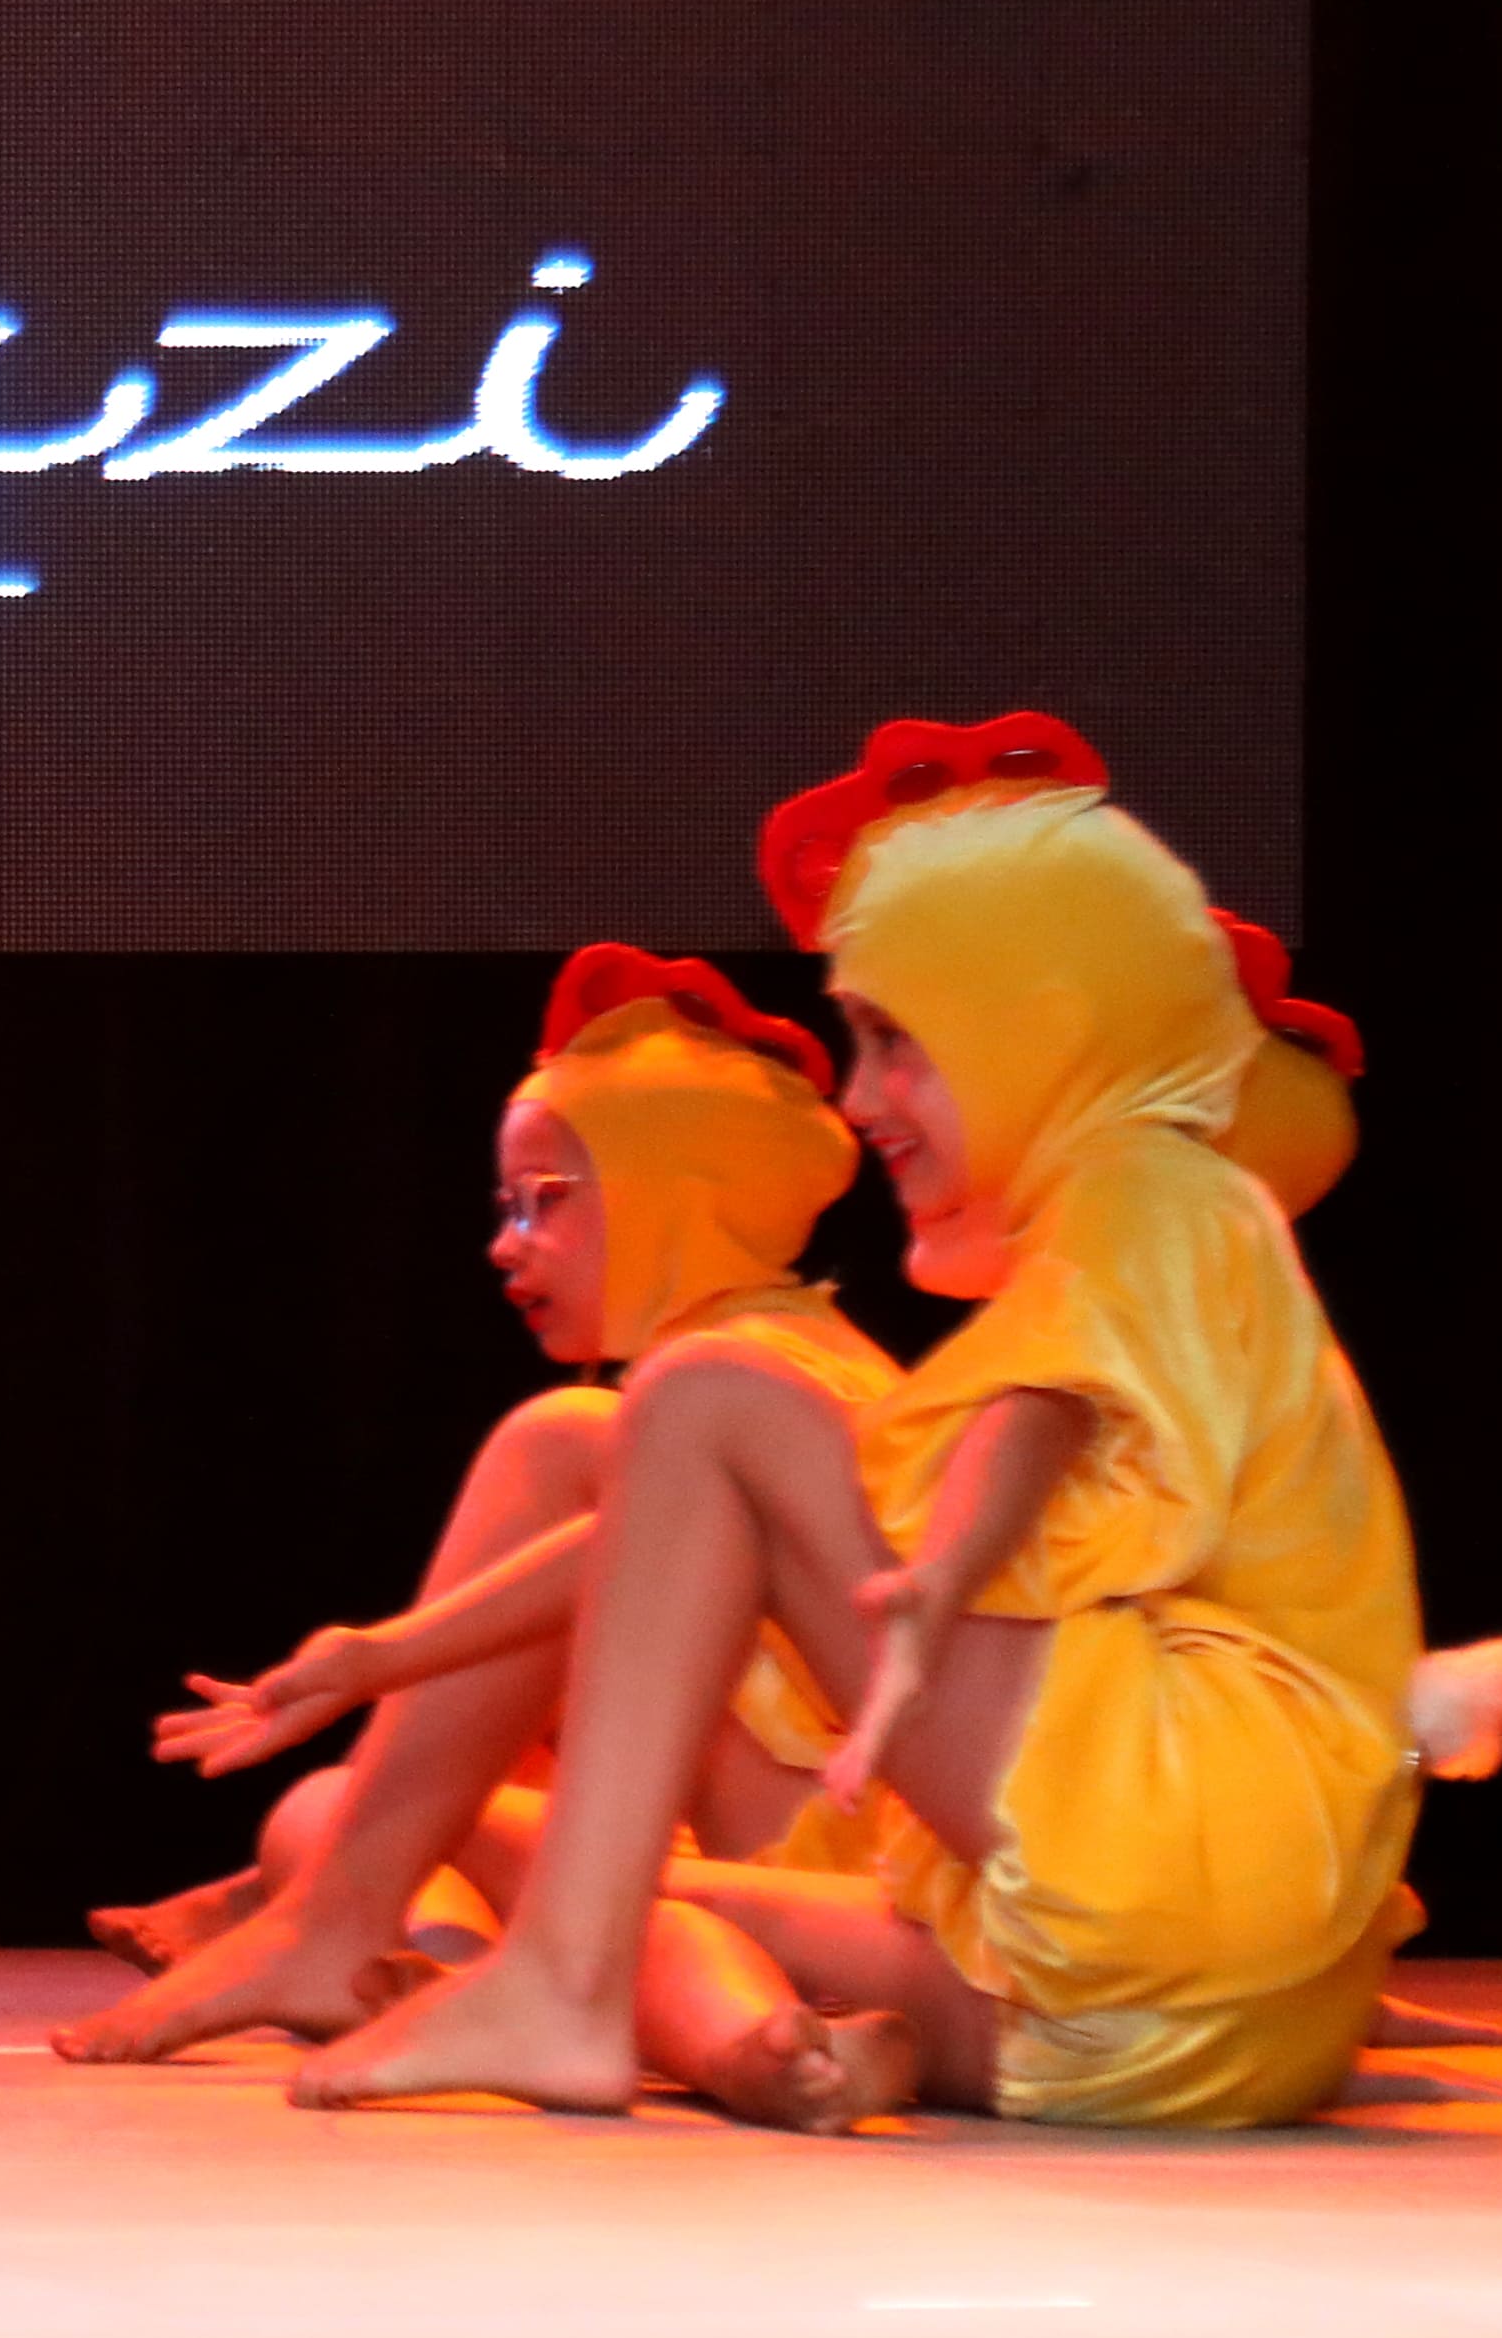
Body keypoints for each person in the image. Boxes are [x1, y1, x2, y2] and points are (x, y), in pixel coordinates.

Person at [295, 715, 1443, 2128]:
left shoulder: (1146, 1189)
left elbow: (1036, 1408)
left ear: (1037, 1030)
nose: (857, 1097)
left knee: (706, 1397)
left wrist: (938, 1582)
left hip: (1175, 1842)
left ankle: (560, 1980)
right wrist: (386, 1653)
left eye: (896, 1041)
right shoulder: (1157, 1225)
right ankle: (640, 1998)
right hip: (1179, 2031)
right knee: (659, 1893)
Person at [57, 950, 902, 2082]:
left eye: (544, 1202)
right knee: (333, 1808)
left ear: (672, 1195)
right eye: (506, 1208)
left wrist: (380, 1657)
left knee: (551, 1449)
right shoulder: (778, 1361)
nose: (505, 1244)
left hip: (834, 1859)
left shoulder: (757, 1382)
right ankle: (412, 1957)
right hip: (779, 1852)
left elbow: (621, 1559)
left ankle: (341, 1930)